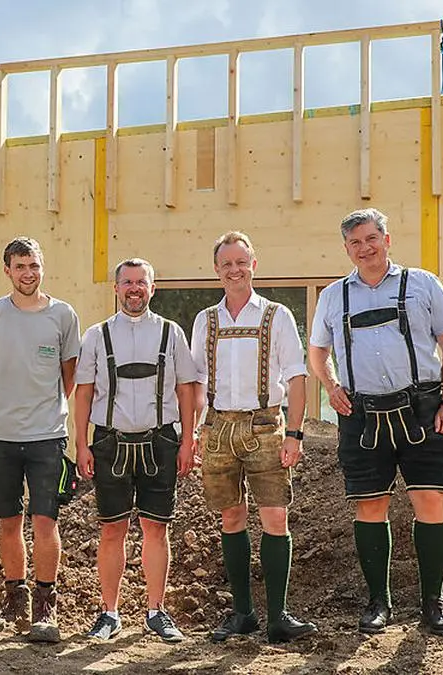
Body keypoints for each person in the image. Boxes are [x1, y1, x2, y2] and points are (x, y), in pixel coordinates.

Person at [307, 208, 443, 637]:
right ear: (347, 248)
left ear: (387, 240)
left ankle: (434, 603)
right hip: (361, 414)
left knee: (431, 501)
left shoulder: (423, 284)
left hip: (424, 409)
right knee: (370, 506)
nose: (365, 248)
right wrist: (331, 386)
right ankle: (379, 601)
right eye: (355, 242)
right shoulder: (333, 296)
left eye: (371, 238)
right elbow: (317, 354)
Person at [191, 231, 318, 645]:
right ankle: (242, 613)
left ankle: (279, 615)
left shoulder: (276, 315)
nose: (234, 270)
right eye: (226, 263)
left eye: (241, 262)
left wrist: (295, 434)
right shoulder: (205, 319)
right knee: (230, 517)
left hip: (266, 426)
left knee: (275, 517)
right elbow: (195, 381)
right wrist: (194, 431)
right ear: (216, 270)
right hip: (218, 427)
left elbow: (297, 378)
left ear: (254, 265)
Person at [74, 258, 197, 643]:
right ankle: (109, 613)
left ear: (152, 288)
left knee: (156, 528)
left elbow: (186, 389)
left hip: (161, 441)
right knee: (112, 529)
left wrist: (188, 441)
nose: (134, 288)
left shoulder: (171, 333)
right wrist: (81, 443)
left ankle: (156, 611)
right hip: (110, 442)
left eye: (141, 282)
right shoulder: (96, 335)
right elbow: (84, 392)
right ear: (116, 288)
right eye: (127, 282)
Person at [0, 237, 80, 643]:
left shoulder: (62, 315)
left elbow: (69, 376)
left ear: (42, 267)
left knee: (45, 520)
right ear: (7, 271)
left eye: (34, 265)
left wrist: (43, 407)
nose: (28, 273)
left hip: (47, 436)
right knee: (8, 520)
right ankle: (14, 597)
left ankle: (45, 604)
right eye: (20, 266)